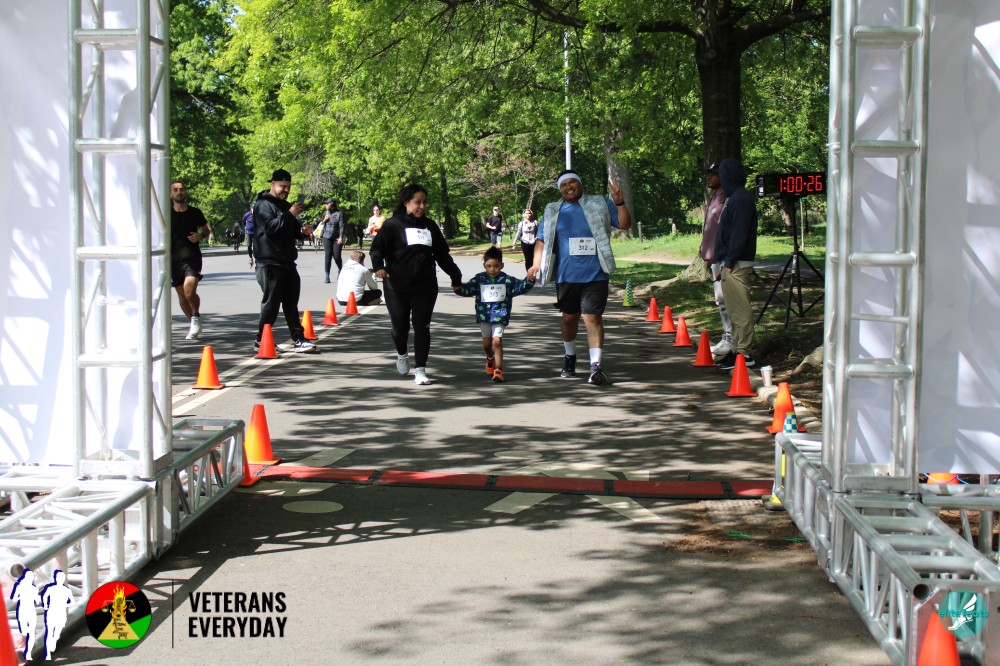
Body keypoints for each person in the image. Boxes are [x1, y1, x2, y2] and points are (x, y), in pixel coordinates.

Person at [526, 170, 631, 385]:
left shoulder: (600, 203)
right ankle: (570, 356)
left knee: (592, 317)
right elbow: (541, 240)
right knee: (569, 318)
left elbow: (624, 224)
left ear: (580, 184)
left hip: (596, 272)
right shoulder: (553, 209)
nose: (568, 187)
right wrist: (535, 264)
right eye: (563, 185)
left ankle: (595, 366)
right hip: (566, 274)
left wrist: (620, 203)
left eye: (572, 182)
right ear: (560, 189)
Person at [370, 184, 463, 385]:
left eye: (424, 202)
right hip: (396, 286)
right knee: (400, 328)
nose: (422, 206)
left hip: (425, 286)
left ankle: (420, 369)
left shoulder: (430, 226)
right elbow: (376, 249)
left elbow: (442, 255)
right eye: (417, 202)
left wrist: (456, 276)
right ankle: (402, 354)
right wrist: (378, 267)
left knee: (422, 327)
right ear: (406, 203)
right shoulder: (393, 225)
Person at [252, 168, 316, 354]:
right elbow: (270, 228)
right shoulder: (262, 205)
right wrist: (289, 214)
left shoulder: (286, 206)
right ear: (272, 183)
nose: (286, 190)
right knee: (271, 303)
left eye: (288, 187)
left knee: (291, 302)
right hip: (269, 262)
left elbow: (292, 230)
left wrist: (303, 232)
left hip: (287, 261)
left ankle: (298, 338)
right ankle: (261, 339)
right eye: (282, 186)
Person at [455, 246, 535, 383]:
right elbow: (468, 289)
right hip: (484, 315)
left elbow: (520, 287)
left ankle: (498, 369)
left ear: (502, 265)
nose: (493, 269)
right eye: (489, 266)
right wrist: (458, 289)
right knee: (487, 345)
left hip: (500, 314)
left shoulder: (507, 280)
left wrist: (529, 279)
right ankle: (490, 357)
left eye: (496, 266)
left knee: (497, 341)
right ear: (484, 266)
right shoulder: (479, 279)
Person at [712, 158, 758, 369]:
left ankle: (744, 353)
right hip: (731, 262)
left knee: (740, 310)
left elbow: (739, 234)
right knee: (734, 310)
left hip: (737, 263)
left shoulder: (740, 199)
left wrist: (729, 262)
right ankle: (738, 350)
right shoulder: (736, 198)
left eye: (722, 175)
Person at [698, 163, 734, 355]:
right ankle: (726, 337)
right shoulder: (715, 197)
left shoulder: (727, 197)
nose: (709, 177)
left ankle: (732, 339)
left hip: (725, 257)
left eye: (713, 174)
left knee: (727, 299)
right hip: (715, 257)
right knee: (720, 300)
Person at [170, 180, 211, 340]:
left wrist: (200, 235)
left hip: (192, 257)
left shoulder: (195, 212)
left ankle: (195, 315)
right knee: (182, 294)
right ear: (171, 194)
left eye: (181, 189)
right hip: (174, 260)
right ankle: (193, 322)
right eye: (175, 190)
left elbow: (206, 231)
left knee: (189, 291)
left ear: (185, 192)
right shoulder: (166, 214)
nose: (179, 192)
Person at [40, 570, 73, 660]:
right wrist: (46, 605)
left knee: (57, 633)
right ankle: (47, 653)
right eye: (59, 578)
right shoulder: (51, 588)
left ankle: (52, 643)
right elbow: (44, 596)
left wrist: (65, 604)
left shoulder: (66, 590)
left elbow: (72, 601)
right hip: (51, 611)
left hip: (61, 613)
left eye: (62, 578)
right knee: (50, 632)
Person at [10, 568, 39, 660]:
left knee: (25, 630)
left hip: (23, 609)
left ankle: (24, 647)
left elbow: (14, 599)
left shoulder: (20, 587)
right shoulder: (33, 588)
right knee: (29, 630)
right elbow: (37, 601)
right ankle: (26, 649)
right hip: (29, 609)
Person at [320, 198, 346, 282]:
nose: (325, 205)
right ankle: (327, 276)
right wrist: (324, 220)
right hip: (326, 237)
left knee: (337, 256)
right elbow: (320, 225)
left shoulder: (339, 213)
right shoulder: (325, 213)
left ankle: (340, 270)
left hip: (336, 238)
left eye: (327, 204)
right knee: (328, 256)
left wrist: (341, 237)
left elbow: (342, 226)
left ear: (332, 204)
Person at [242, 204, 255, 268]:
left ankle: (257, 256)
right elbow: (243, 222)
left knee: (257, 245)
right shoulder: (247, 215)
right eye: (253, 209)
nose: (254, 210)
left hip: (256, 232)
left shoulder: (258, 214)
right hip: (249, 231)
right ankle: (250, 257)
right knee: (249, 245)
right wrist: (247, 227)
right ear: (251, 209)